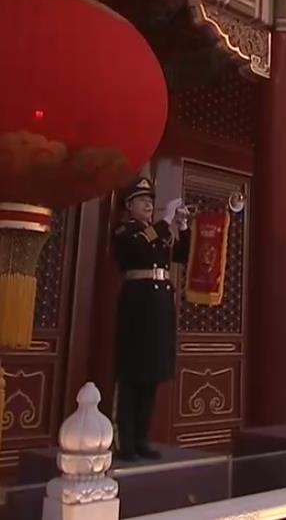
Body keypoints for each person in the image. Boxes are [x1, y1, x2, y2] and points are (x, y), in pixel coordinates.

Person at [112, 177, 190, 461]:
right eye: (142, 200)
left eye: (150, 201)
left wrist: (182, 226)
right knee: (132, 374)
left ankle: (142, 438)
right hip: (138, 305)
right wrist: (165, 221)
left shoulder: (156, 233)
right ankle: (126, 442)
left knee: (152, 373)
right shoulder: (126, 232)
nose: (148, 205)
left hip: (159, 307)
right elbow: (138, 250)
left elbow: (181, 255)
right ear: (129, 205)